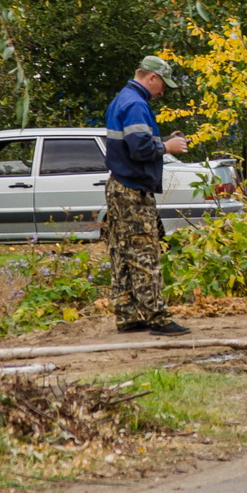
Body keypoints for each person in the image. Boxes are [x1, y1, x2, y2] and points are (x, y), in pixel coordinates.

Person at [103, 54, 192, 335]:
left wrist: (163, 141)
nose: (162, 92)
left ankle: (129, 315)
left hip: (119, 186)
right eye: (162, 85)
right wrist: (168, 148)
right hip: (132, 190)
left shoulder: (123, 99)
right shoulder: (136, 103)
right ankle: (157, 317)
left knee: (122, 252)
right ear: (151, 77)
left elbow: (136, 142)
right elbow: (139, 149)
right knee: (144, 252)